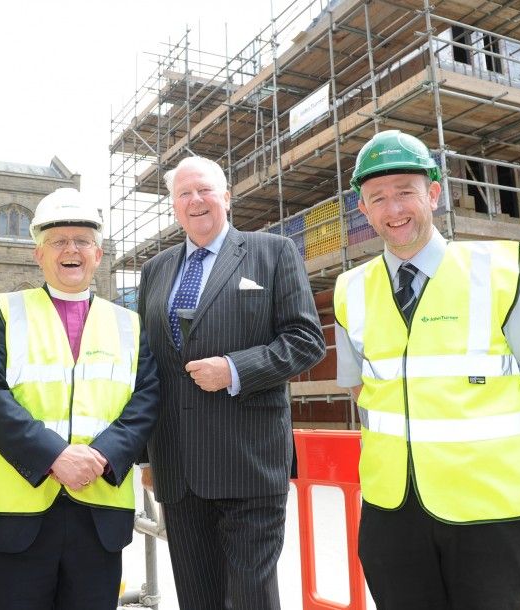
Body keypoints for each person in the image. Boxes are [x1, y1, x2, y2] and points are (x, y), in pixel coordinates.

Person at [334, 129, 520, 610]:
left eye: (406, 191)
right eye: (378, 197)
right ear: (363, 210)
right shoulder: (350, 289)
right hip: (392, 512)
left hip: (490, 512)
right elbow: (363, 388)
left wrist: (490, 454)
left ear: (434, 195)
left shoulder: (497, 271)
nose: (393, 208)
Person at [137, 156, 325, 610]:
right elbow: (146, 364)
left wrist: (235, 369)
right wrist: (146, 455)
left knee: (250, 598)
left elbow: (306, 341)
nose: (195, 200)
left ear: (226, 196)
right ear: (174, 206)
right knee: (197, 598)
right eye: (183, 194)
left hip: (249, 462)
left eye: (204, 190)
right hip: (179, 467)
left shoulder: (273, 252)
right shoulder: (156, 270)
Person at [0, 187, 159, 609]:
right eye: (58, 241)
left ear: (98, 253)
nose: (70, 250)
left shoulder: (130, 323)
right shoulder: (5, 309)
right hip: (16, 515)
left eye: (82, 241)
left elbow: (145, 400)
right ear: (39, 254)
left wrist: (103, 456)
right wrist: (55, 456)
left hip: (99, 514)